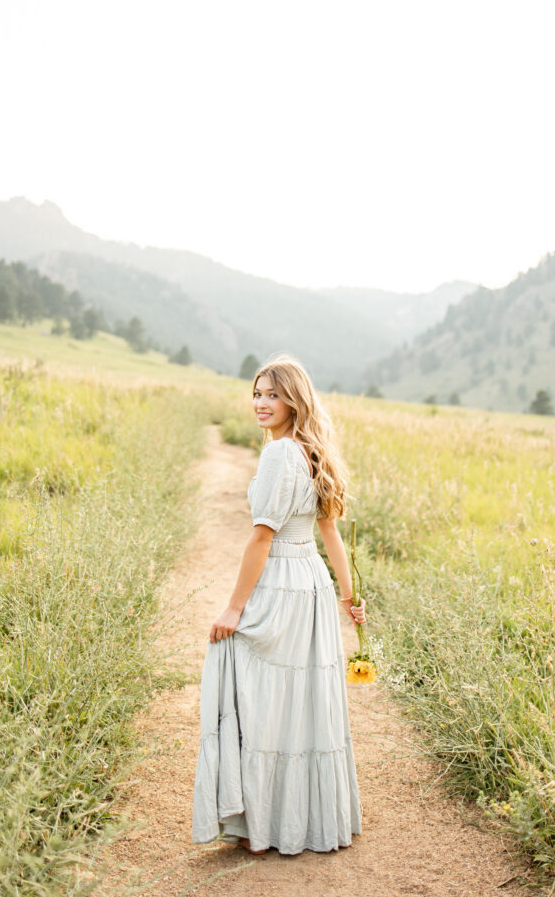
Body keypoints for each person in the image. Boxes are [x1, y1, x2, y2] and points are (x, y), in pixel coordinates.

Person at [191, 354, 365, 855]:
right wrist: (349, 598)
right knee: (300, 698)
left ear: (295, 400)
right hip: (311, 582)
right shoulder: (312, 450)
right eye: (257, 393)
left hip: (283, 579)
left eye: (273, 394)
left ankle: (263, 821)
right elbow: (329, 531)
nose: (262, 403)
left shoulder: (278, 455)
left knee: (258, 693)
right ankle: (296, 818)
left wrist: (233, 608)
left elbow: (262, 538)